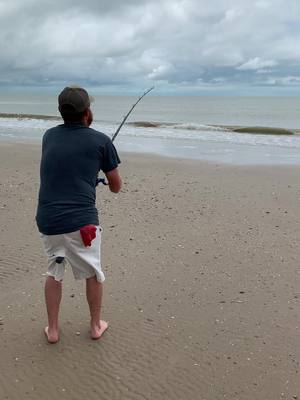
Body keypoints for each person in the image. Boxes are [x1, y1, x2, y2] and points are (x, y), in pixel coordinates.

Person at [36, 86, 122, 344]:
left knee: (54, 270)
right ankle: (96, 326)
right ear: (88, 111)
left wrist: (88, 177)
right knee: (93, 273)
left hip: (48, 220)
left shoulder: (48, 136)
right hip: (82, 222)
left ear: (61, 111)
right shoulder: (101, 141)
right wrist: (97, 178)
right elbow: (116, 186)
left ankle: (53, 330)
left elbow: (63, 168)